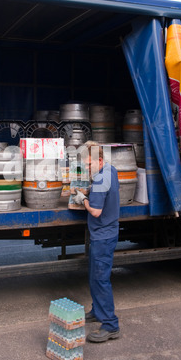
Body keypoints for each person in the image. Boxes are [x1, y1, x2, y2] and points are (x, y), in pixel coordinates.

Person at [72, 141, 120, 343]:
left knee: (100, 279)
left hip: (103, 236)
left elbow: (96, 211)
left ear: (99, 160)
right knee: (94, 276)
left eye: (88, 165)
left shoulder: (101, 179)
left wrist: (82, 200)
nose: (86, 169)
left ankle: (110, 325)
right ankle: (97, 310)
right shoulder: (111, 170)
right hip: (106, 232)